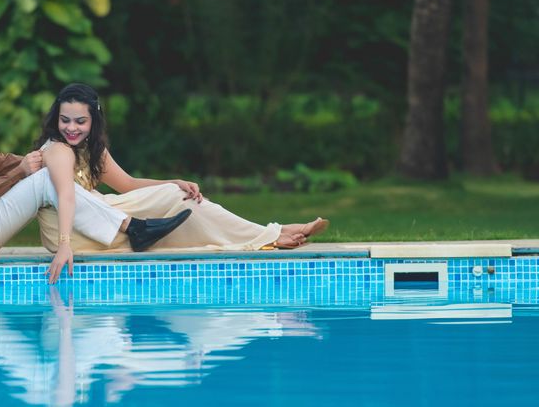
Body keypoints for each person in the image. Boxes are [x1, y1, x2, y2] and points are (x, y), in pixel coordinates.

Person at [35, 84, 330, 278]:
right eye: (65, 120)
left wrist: (173, 182)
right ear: (56, 119)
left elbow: (126, 184)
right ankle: (271, 235)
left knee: (180, 197)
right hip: (77, 230)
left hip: (104, 213)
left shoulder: (90, 148)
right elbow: (66, 197)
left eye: (80, 121)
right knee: (179, 212)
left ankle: (269, 233)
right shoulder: (56, 149)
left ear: (93, 122)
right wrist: (64, 245)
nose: (71, 128)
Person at [0, 69, 191, 272]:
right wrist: (23, 171)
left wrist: (47, 157)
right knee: (44, 179)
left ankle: (133, 227)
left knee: (46, 175)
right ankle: (133, 227)